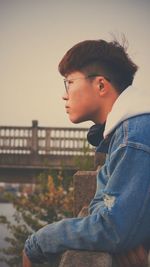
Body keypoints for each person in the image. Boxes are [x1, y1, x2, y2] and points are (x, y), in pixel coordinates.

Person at [23, 38, 150, 266]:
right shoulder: (122, 134)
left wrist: (38, 241)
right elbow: (101, 210)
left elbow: (111, 228)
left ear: (101, 85)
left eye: (69, 82)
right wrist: (123, 232)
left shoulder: (133, 138)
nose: (64, 94)